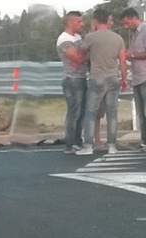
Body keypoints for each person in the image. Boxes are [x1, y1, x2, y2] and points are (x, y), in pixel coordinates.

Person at [76, 9, 128, 155]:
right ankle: (111, 145)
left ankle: (88, 146)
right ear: (107, 20)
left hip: (97, 77)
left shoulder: (90, 37)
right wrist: (123, 78)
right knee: (112, 113)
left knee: (90, 112)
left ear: (95, 21)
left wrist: (91, 33)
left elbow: (81, 53)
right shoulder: (118, 38)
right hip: (113, 77)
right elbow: (122, 60)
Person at [56, 11, 88, 154]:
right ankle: (70, 143)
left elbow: (81, 55)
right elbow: (77, 58)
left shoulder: (78, 37)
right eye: (79, 22)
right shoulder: (64, 39)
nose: (82, 24)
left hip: (81, 77)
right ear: (70, 22)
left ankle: (77, 141)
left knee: (81, 112)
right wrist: (86, 50)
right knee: (73, 112)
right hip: (71, 79)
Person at [121, 8, 146, 152]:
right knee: (140, 113)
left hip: (145, 77)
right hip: (137, 77)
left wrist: (133, 54)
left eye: (127, 23)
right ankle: (144, 140)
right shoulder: (134, 34)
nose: (126, 26)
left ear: (134, 18)